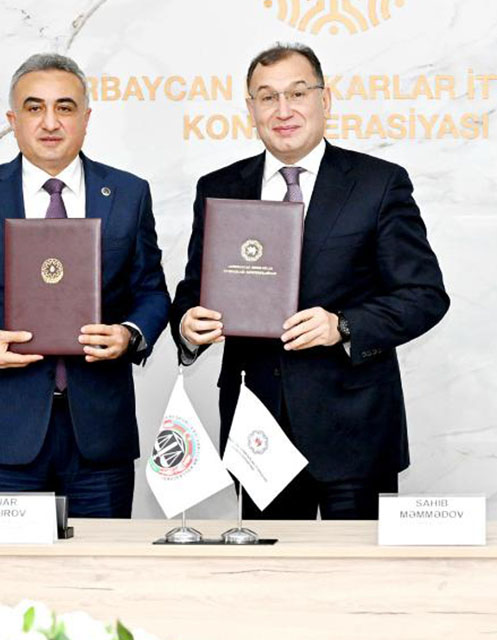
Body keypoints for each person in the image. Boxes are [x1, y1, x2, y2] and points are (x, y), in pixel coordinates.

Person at [170, 43, 449, 520]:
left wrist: (342, 325)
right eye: (267, 97)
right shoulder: (219, 187)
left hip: (354, 431)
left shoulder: (378, 182)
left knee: (357, 566)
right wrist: (187, 325)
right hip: (257, 432)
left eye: (297, 94)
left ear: (325, 100)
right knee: (270, 567)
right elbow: (194, 290)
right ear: (251, 109)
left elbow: (424, 296)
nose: (283, 110)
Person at [0, 52, 170, 518]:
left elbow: (152, 292)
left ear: (86, 118)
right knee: (5, 564)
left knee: (101, 563)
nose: (50, 122)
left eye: (65, 107)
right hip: (1, 434)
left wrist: (129, 334)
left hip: (100, 437)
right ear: (13, 121)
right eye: (34, 108)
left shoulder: (129, 193)